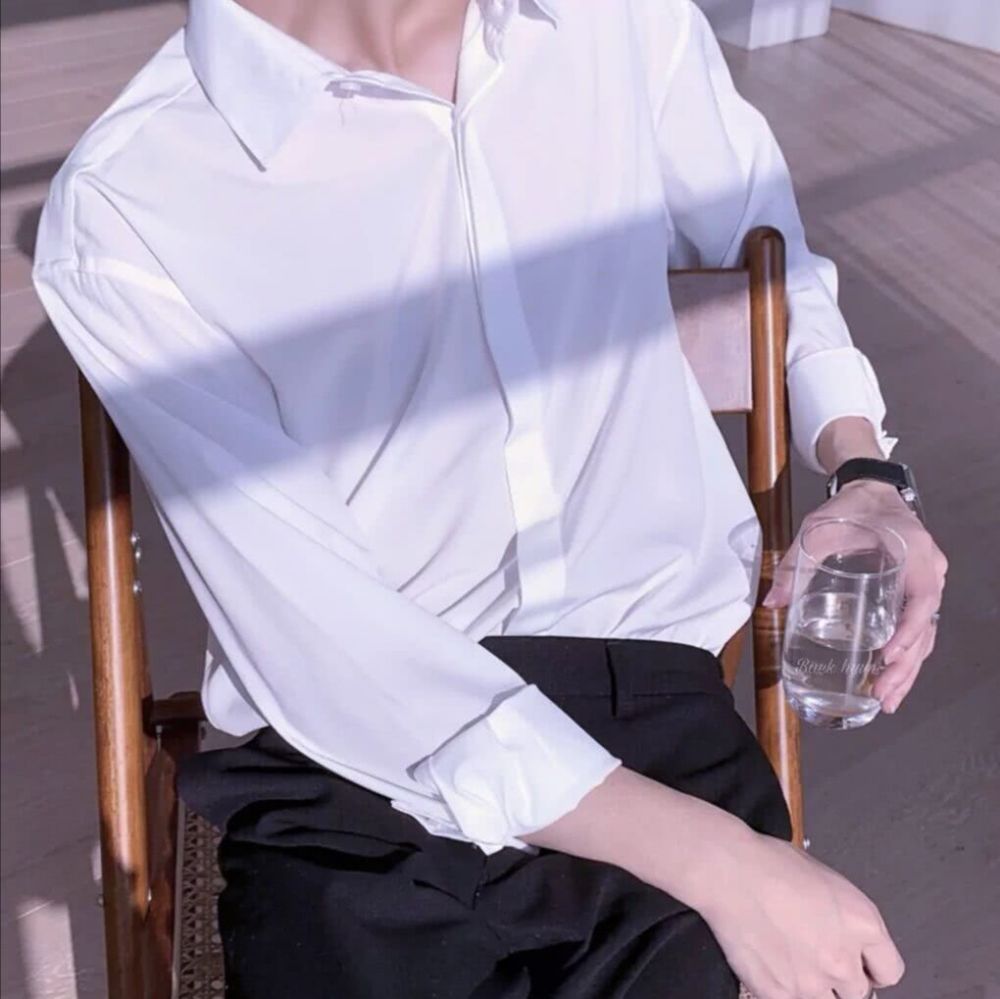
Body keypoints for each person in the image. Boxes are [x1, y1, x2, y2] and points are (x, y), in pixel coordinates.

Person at [34, 1, 948, 996]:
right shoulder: (132, 196)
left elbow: (759, 237)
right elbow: (321, 642)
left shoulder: (616, 20)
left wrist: (863, 471)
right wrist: (719, 863)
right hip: (351, 771)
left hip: (650, 709)